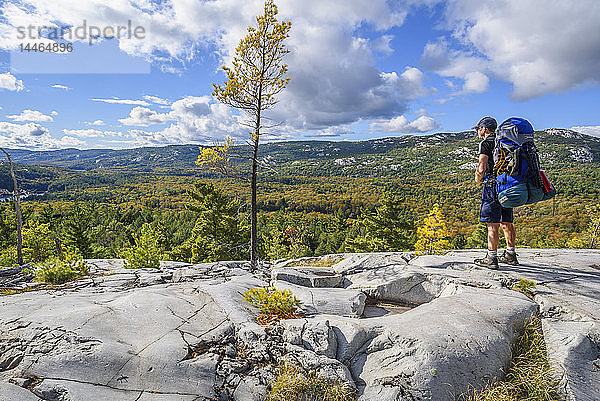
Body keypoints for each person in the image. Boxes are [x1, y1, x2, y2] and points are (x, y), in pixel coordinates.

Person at [472, 116, 519, 269]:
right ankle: (510, 254)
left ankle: (491, 258)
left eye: (479, 129)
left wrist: (478, 178)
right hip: (506, 184)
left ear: (485, 129)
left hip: (492, 185)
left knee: (492, 223)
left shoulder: (486, 143)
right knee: (507, 221)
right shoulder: (504, 141)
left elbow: (482, 167)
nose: (478, 132)